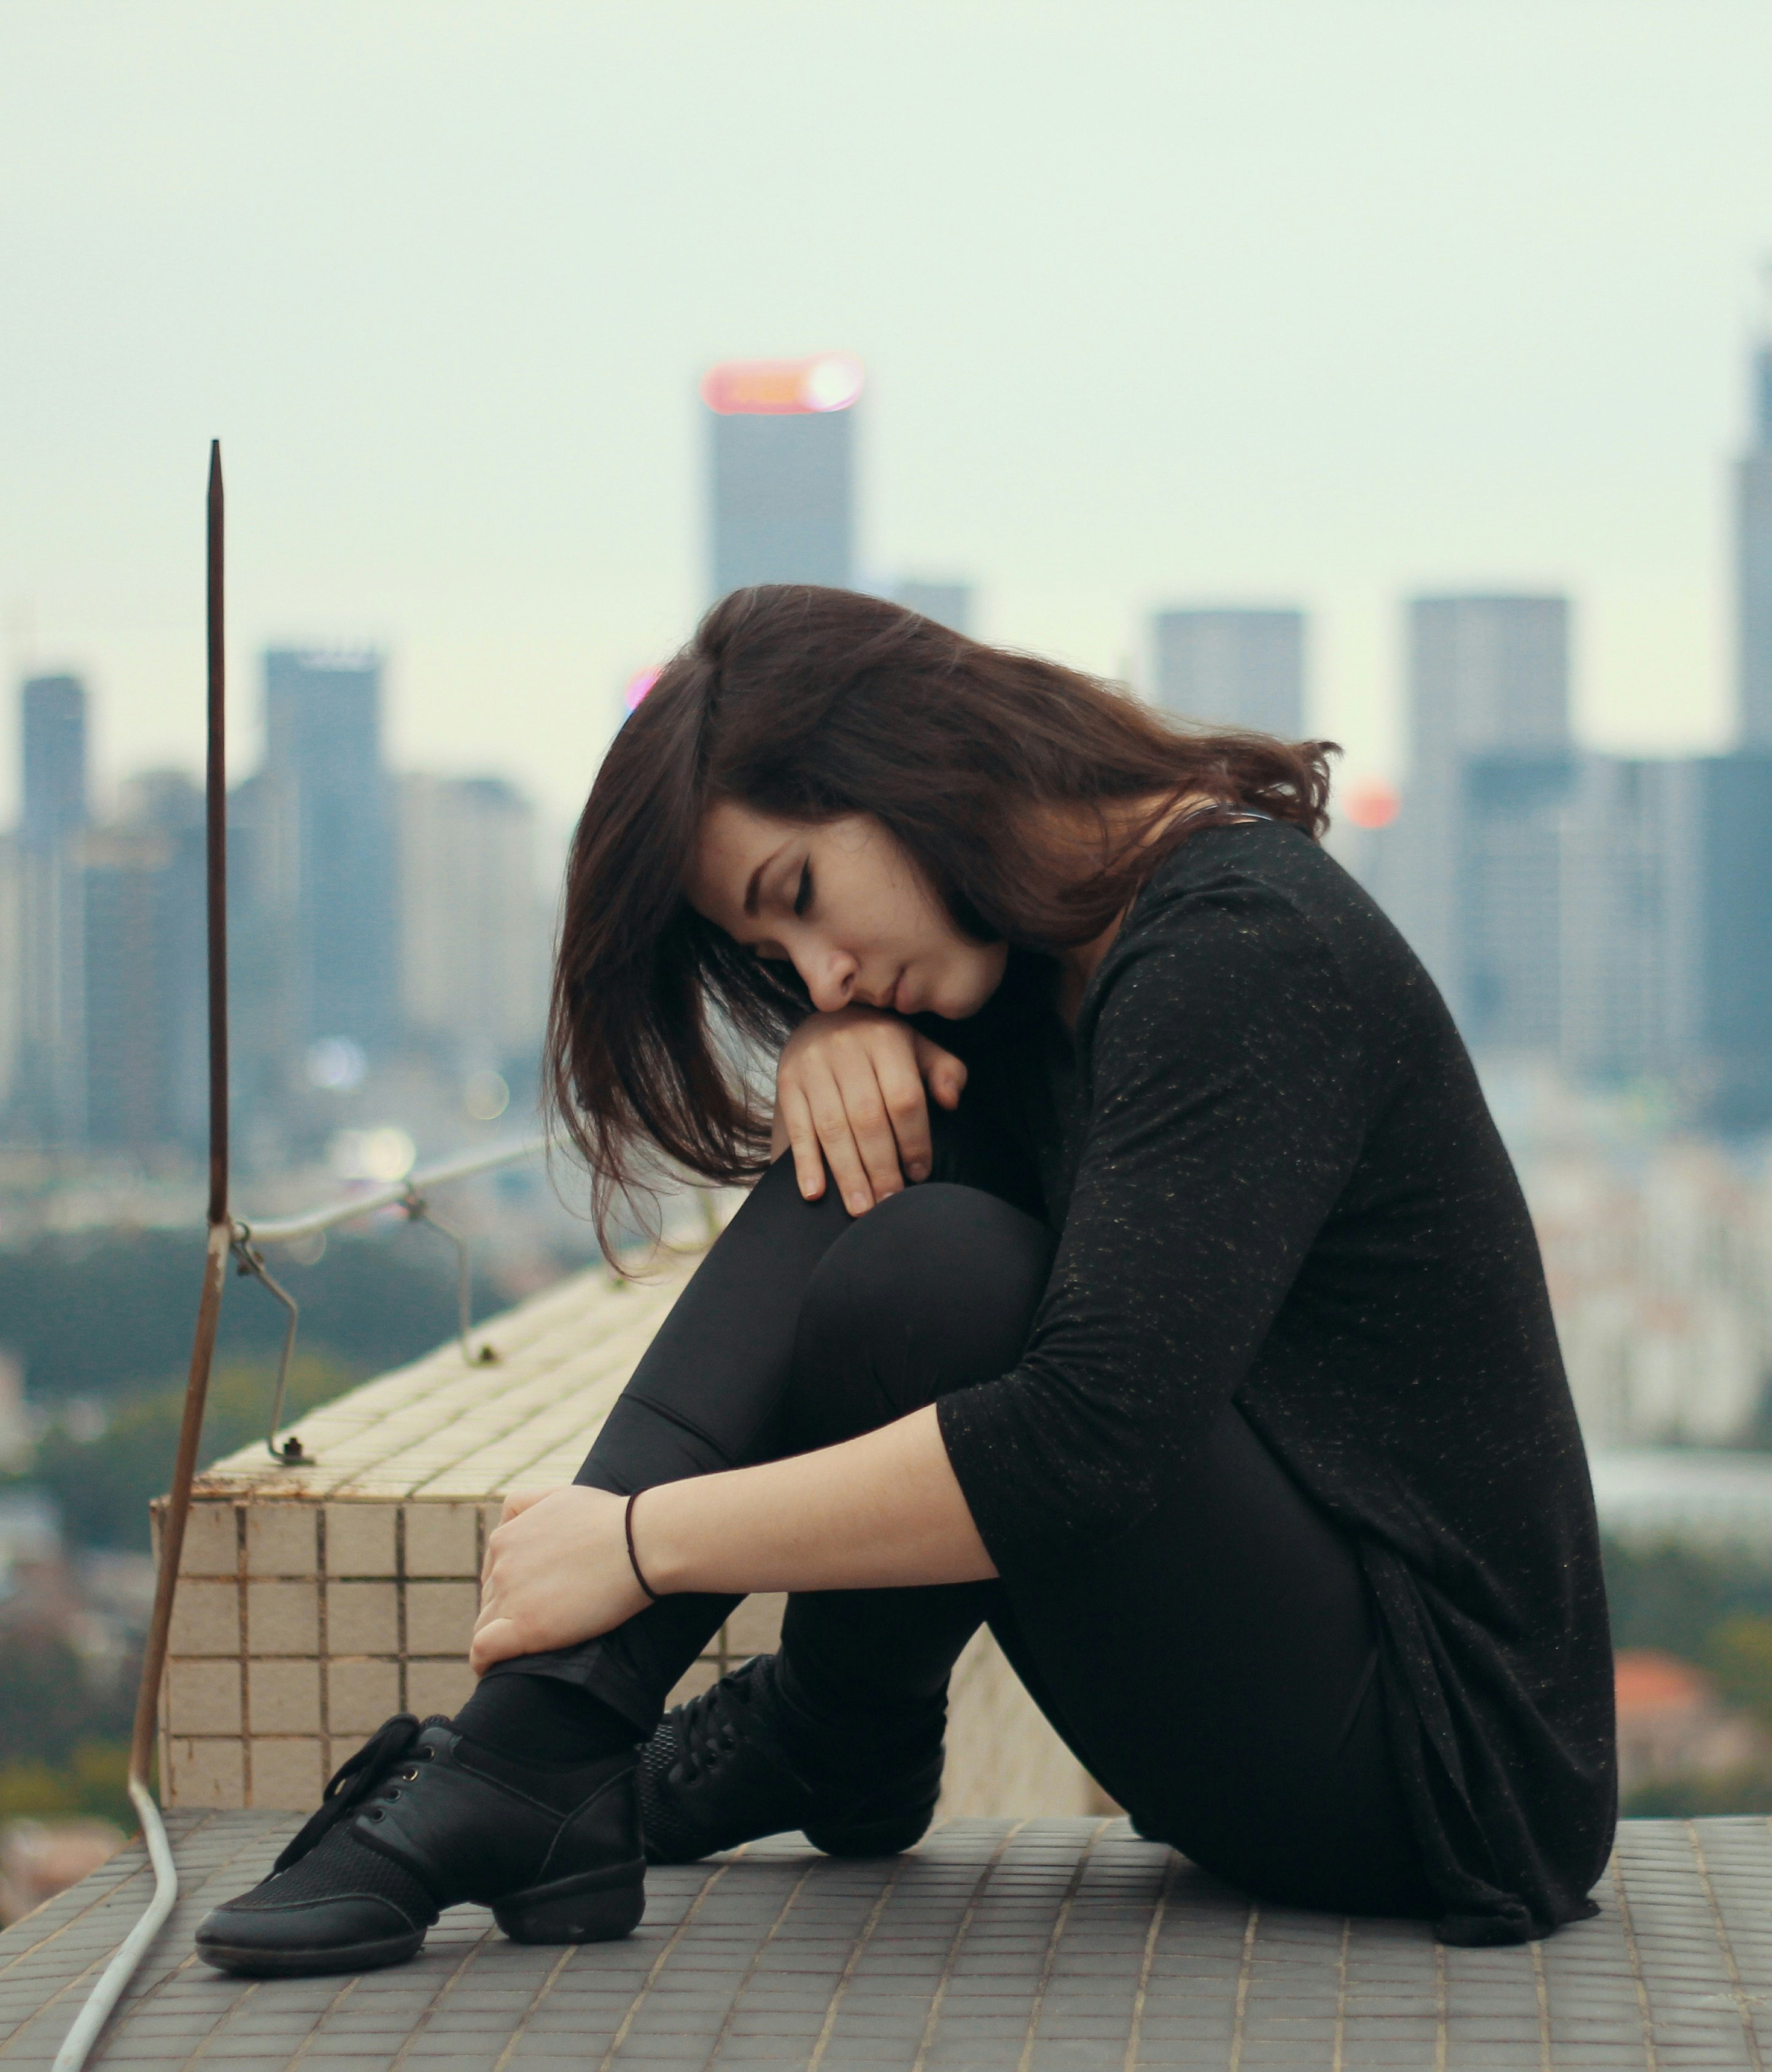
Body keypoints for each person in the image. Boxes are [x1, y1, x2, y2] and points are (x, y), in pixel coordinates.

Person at [197, 585, 1615, 1979]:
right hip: (1296, 1720)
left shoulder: (1237, 941)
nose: (819, 976)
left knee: (927, 1264)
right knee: (878, 1174)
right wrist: (841, 1056)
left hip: (1445, 1773)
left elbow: (1084, 1444)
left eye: (800, 897)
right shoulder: (1045, 972)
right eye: (772, 955)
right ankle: (611, 1751)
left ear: (909, 768)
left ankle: (596, 1752)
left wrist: (638, 1542)